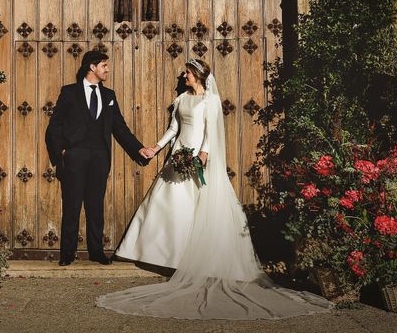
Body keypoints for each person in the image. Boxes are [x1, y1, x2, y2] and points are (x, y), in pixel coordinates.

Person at [97, 58, 332, 320]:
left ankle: (195, 260)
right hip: (178, 156)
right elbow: (174, 128)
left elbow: (211, 130)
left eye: (187, 72)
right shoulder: (182, 99)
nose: (184, 76)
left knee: (199, 207)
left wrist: (204, 154)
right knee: (169, 204)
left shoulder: (210, 100)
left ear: (197, 74)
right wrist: (156, 147)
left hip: (198, 157)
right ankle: (166, 256)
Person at [45, 51, 150, 267]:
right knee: (72, 206)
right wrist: (61, 152)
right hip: (74, 158)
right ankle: (67, 253)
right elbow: (54, 126)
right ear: (92, 67)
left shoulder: (109, 96)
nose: (107, 69)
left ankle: (96, 251)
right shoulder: (70, 92)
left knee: (95, 207)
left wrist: (138, 149)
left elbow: (120, 128)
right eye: (104, 65)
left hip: (100, 159)